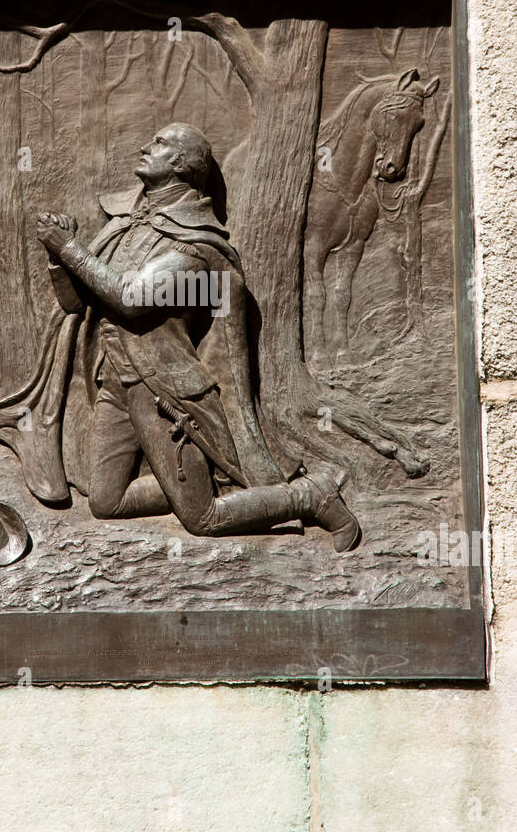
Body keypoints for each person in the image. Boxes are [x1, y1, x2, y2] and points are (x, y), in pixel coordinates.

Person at [28, 122, 360, 551]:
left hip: (162, 391)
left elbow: (131, 298)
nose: (146, 146)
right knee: (106, 502)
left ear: (183, 165)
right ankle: (203, 484)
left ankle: (310, 496)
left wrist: (70, 249)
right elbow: (78, 305)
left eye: (160, 144)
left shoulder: (196, 246)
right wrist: (59, 259)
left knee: (203, 520)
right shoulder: (126, 227)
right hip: (115, 382)